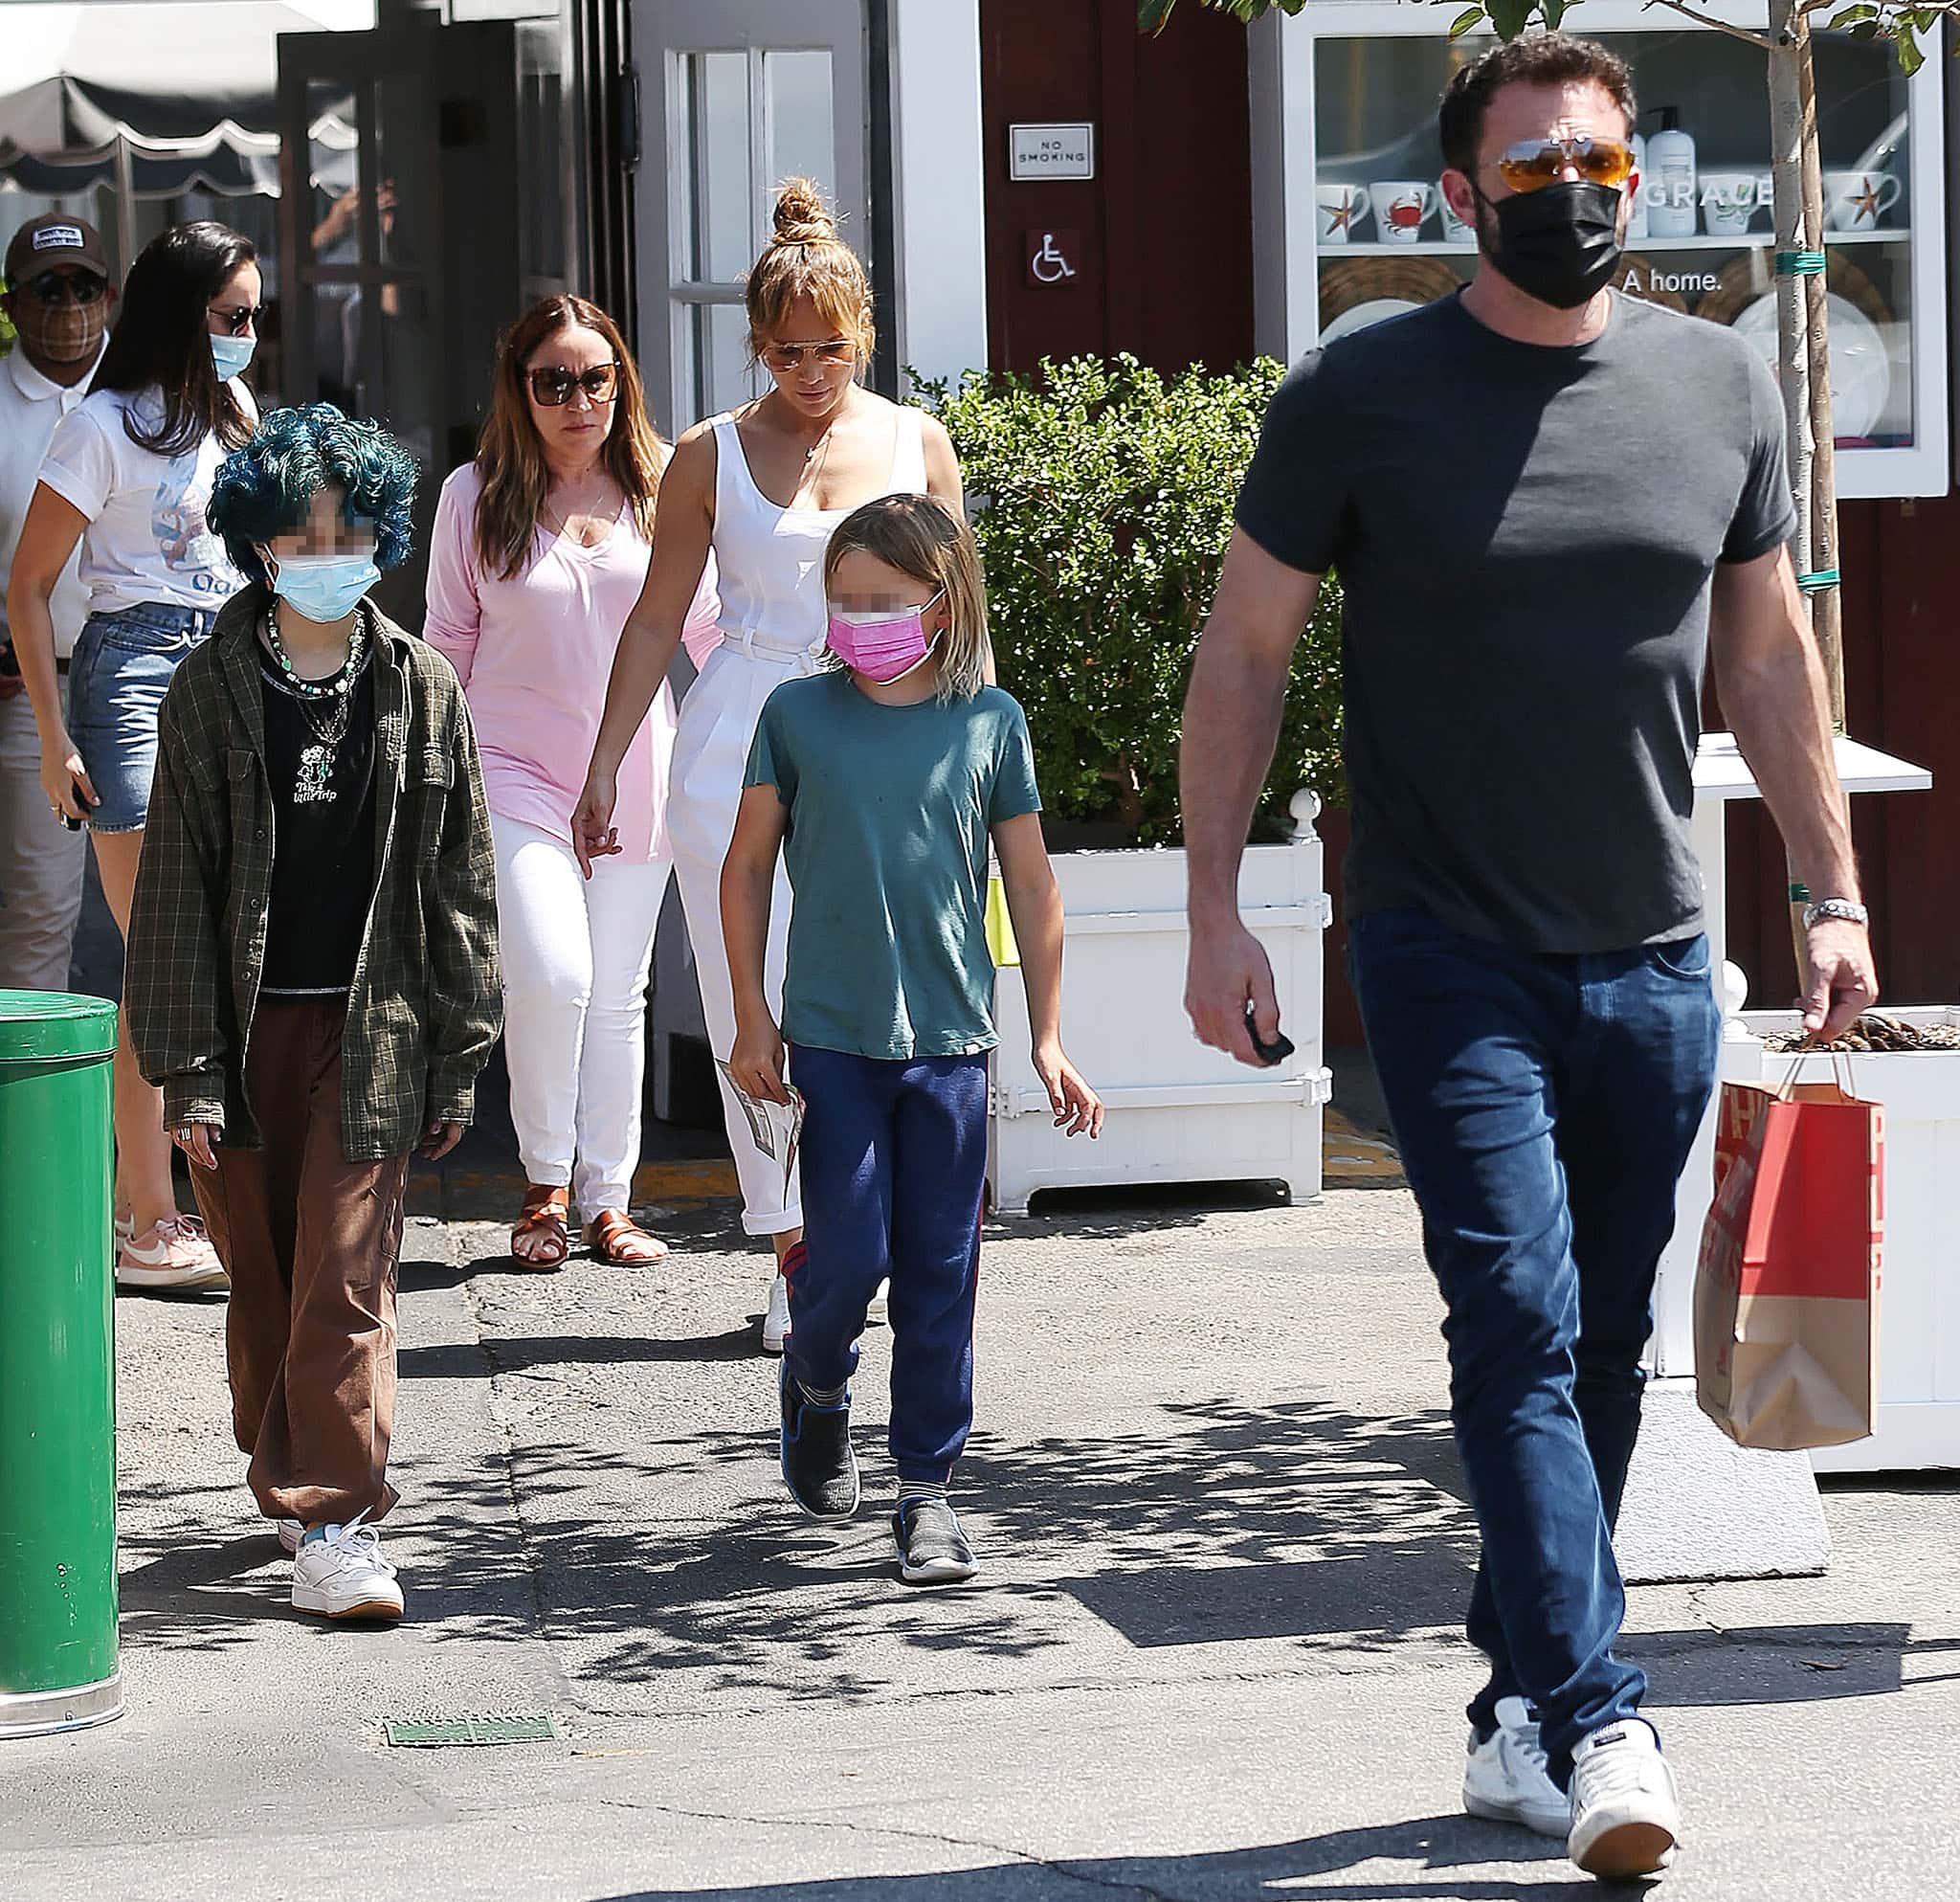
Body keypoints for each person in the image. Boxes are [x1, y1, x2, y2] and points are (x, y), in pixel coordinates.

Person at [1179, 33, 1877, 1883]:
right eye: (1530, 168)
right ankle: (1596, 1713)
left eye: (1599, 165)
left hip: (1650, 949)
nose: (1570, 193)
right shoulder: (1361, 391)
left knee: (1595, 1358)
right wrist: (1211, 908)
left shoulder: (1717, 385)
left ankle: (1505, 1709)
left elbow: (1765, 664)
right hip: (1441, 944)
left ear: (1632, 180)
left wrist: (1826, 892)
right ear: (1455, 195)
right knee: (1511, 1320)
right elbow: (1242, 652)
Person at [575, 178, 966, 1354]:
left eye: (832, 348)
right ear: (756, 344)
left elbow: (960, 611)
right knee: (762, 996)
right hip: (744, 731)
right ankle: (798, 1243)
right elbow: (654, 620)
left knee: (873, 993)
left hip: (890, 731)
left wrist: (979, 747)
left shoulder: (914, 439)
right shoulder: (708, 453)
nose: (810, 370)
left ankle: (868, 1219)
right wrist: (606, 765)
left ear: (865, 336)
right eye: (787, 350)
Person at [125, 403, 501, 1623]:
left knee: (347, 1275)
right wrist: (183, 1069)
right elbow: (176, 884)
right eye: (302, 528)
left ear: (384, 534)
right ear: (261, 545)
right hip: (240, 1035)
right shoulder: (210, 688)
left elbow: (459, 880)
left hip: (373, 1023)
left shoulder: (421, 684)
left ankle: (337, 1520)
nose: (330, 546)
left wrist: (458, 1057)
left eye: (350, 525)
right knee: (268, 1280)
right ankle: (279, 1448)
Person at [722, 493, 1102, 1584]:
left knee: (941, 1274)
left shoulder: (990, 721)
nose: (861, 617)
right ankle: (816, 1377)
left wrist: (1047, 1034)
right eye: (844, 600)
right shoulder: (795, 715)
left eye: (885, 600)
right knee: (845, 1258)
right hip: (832, 1044)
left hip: (950, 1046)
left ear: (942, 602)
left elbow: (1029, 881)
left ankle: (925, 1492)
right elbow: (745, 866)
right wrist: (752, 1016)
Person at [426, 296, 721, 1269]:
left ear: (620, 383)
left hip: (640, 769)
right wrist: (433, 781)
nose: (577, 399)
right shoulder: (474, 496)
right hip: (510, 770)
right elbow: (448, 647)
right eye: (553, 380)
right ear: (521, 391)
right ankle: (543, 1179)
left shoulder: (660, 489)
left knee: (617, 993)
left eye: (596, 378)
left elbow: (712, 633)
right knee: (552, 974)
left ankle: (608, 1198)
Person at [7, 220, 261, 1291]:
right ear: (181, 311)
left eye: (255, 315)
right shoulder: (100, 424)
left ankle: (198, 1198)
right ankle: (146, 1214)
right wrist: (56, 734)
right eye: (234, 316)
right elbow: (25, 585)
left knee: (235, 943)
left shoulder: (238, 414)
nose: (251, 334)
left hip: (239, 670)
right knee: (159, 948)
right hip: (131, 675)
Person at [1, 216, 113, 993]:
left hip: (150, 674)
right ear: (12, 302)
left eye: (85, 285)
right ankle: (38, 1110)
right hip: (27, 691)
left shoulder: (149, 395)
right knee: (38, 910)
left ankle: (178, 1113)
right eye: (49, 287)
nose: (69, 304)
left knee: (174, 911)